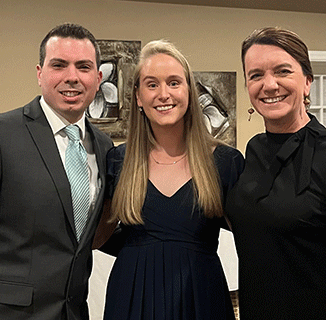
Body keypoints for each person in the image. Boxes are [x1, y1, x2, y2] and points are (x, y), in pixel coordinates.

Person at [0, 23, 113, 320]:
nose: (72, 77)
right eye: (59, 65)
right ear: (40, 73)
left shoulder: (105, 147)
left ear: (97, 78)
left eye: (83, 67)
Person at [226, 26, 326, 319]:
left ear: (307, 82)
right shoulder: (254, 148)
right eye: (256, 75)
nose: (269, 85)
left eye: (283, 71)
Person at [100, 40, 244, 320]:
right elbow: (97, 237)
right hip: (131, 298)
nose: (163, 94)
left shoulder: (226, 162)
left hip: (201, 296)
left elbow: (255, 241)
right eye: (152, 84)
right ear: (139, 97)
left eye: (174, 83)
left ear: (189, 91)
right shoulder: (118, 161)